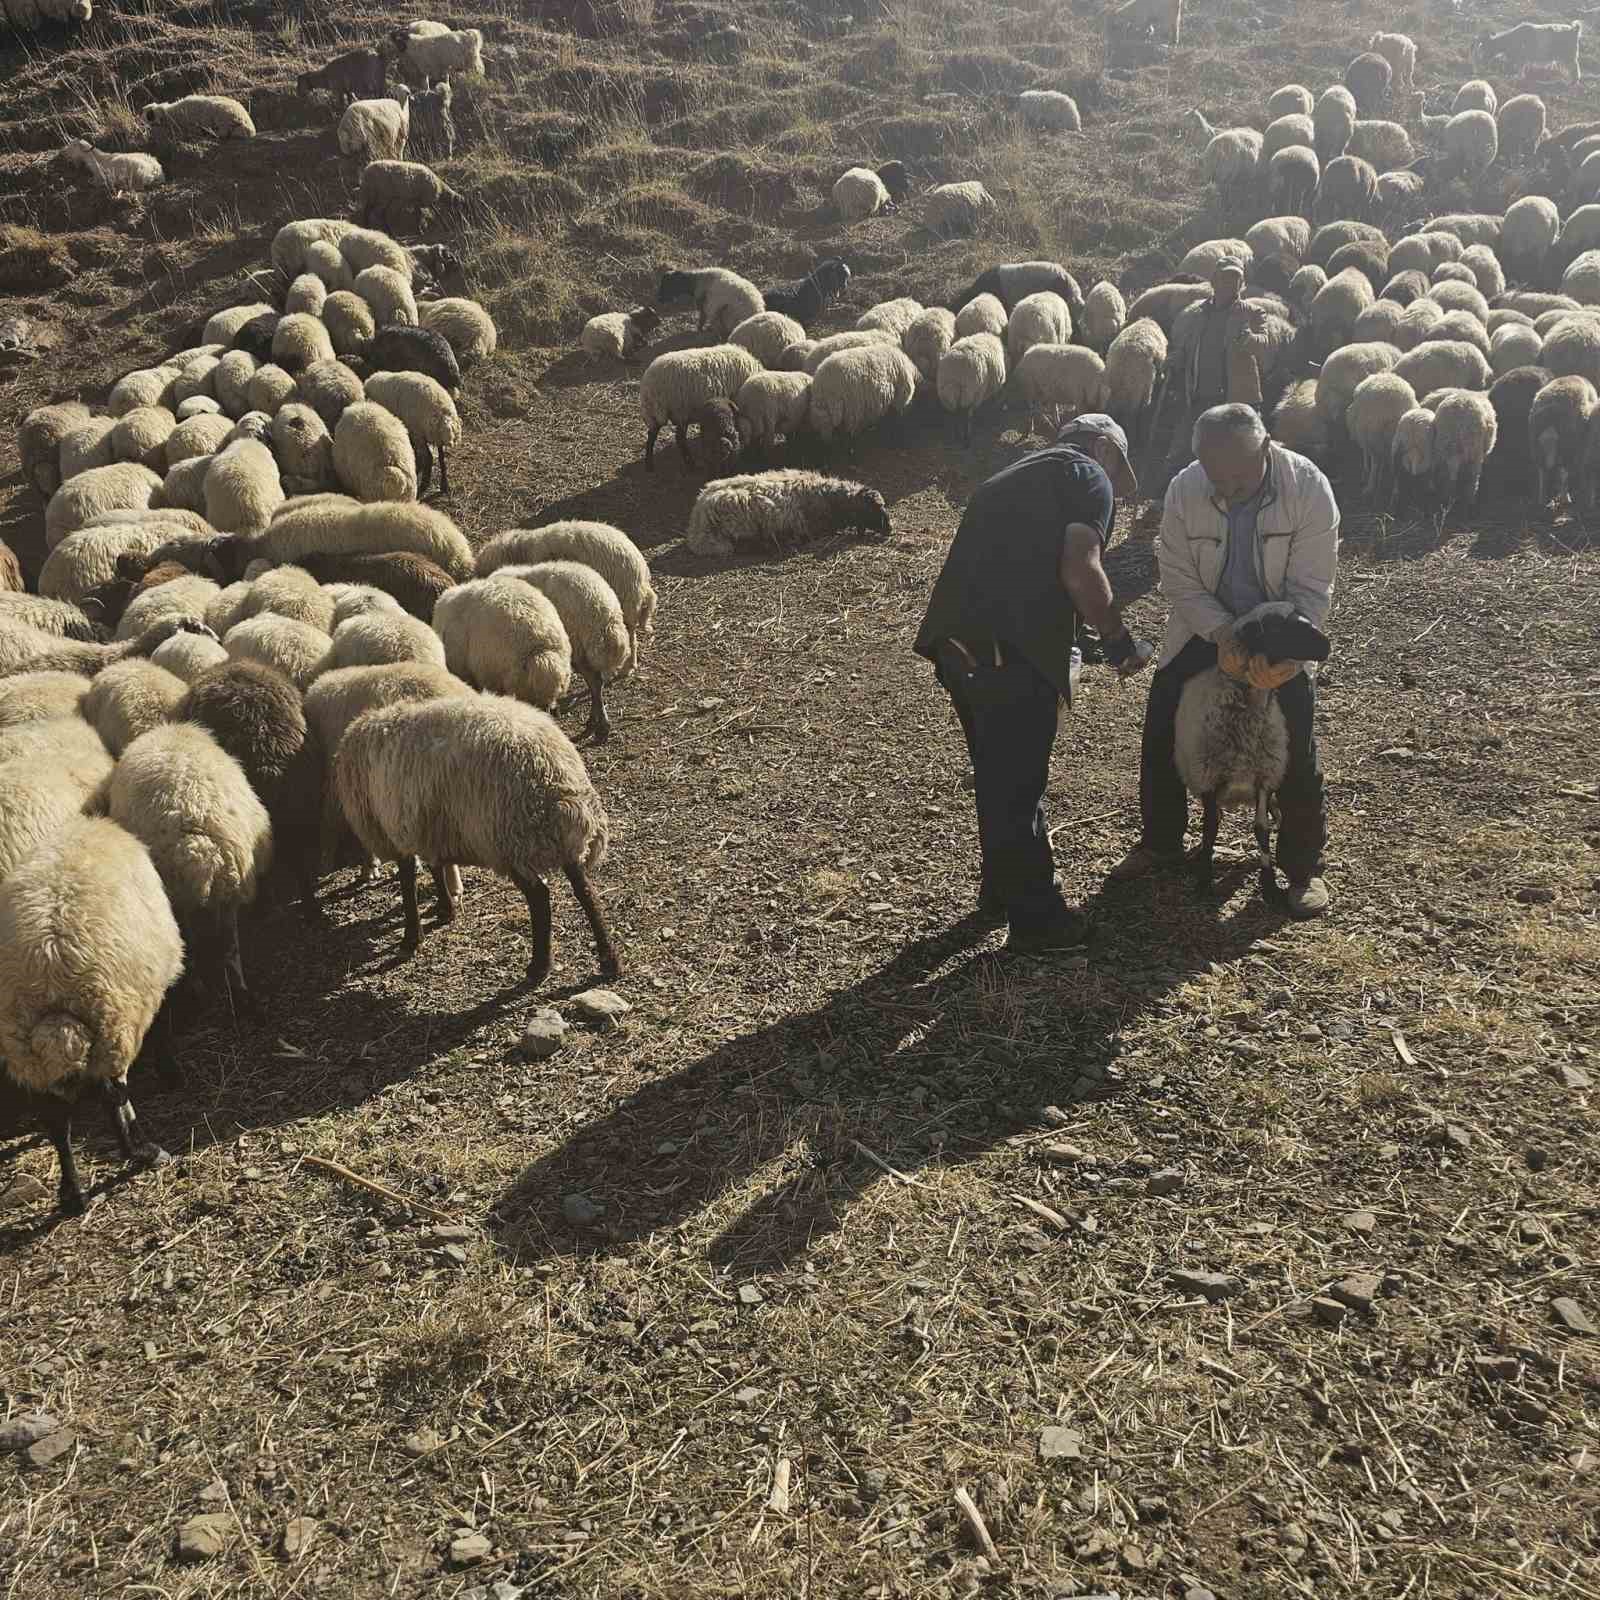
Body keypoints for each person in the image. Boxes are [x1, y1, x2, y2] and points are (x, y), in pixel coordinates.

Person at [915, 417, 1154, 952]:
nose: (1114, 487)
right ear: (1100, 447)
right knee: (1019, 784)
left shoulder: (1013, 475)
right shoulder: (1086, 473)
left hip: (958, 645)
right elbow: (1081, 568)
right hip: (1006, 652)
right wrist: (1118, 641)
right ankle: (1039, 921)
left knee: (998, 776)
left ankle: (1002, 889)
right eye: (1118, 468)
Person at [1112, 403, 1338, 917]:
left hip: (1280, 622)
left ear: (1265, 448)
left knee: (1295, 739)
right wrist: (1222, 636)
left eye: (1240, 478)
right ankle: (1161, 841)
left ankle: (1301, 867)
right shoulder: (1186, 489)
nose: (1228, 489)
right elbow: (1176, 576)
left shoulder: (1307, 486)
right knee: (1164, 722)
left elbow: (1313, 585)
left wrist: (1282, 661)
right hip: (1206, 621)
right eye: (1218, 478)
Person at [1167, 258, 1272, 466]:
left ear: (1242, 284)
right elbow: (1188, 347)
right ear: (1214, 281)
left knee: (1240, 454)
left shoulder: (1252, 312)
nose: (1230, 284)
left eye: (1235, 279)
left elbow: (1263, 344)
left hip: (1236, 397)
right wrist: (1175, 358)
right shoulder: (1198, 314)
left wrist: (1249, 338)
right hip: (1200, 395)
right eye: (1225, 278)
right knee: (1191, 453)